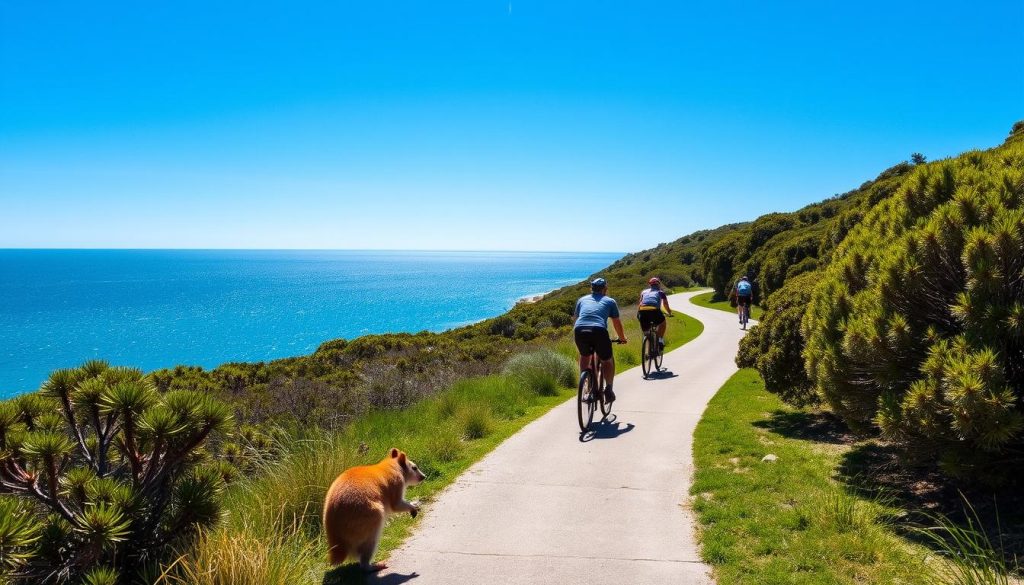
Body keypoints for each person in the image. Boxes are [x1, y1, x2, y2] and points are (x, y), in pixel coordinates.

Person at [572, 277, 628, 403]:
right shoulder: (610, 301)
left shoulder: (581, 300)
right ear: (605, 289)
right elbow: (616, 322)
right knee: (607, 360)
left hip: (579, 330)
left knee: (584, 355)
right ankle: (608, 389)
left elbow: (575, 319)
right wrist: (622, 338)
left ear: (591, 289)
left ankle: (586, 385)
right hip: (598, 331)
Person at [637, 277, 672, 350]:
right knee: (662, 323)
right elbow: (665, 304)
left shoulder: (643, 292)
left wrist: (638, 313)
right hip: (654, 310)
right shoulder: (660, 292)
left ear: (650, 285)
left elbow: (640, 303)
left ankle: (647, 347)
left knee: (646, 331)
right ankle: (660, 340)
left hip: (642, 311)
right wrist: (669, 313)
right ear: (658, 284)